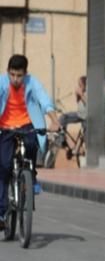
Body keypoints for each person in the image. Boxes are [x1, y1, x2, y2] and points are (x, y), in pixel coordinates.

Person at [0, 54, 59, 226]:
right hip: (5, 127)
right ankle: (1, 213)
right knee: (3, 167)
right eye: (12, 74)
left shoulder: (32, 83)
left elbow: (44, 100)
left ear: (25, 74)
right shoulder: (2, 83)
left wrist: (54, 121)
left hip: (27, 124)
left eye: (19, 75)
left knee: (33, 144)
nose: (15, 79)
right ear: (8, 72)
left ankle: (31, 178)